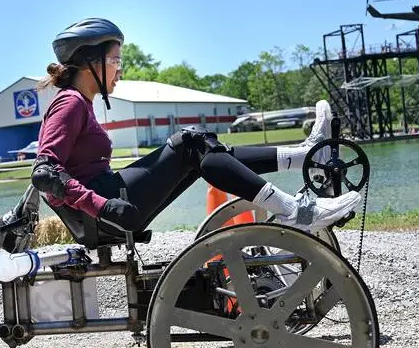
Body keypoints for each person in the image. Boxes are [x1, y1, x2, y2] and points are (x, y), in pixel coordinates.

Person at [30, 18, 362, 236]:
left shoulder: (80, 103)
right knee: (191, 143)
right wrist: (102, 206)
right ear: (91, 63)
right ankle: (295, 208)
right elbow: (45, 172)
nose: (120, 71)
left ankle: (303, 157)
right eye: (116, 61)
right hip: (105, 212)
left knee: (204, 152)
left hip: (107, 205)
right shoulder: (70, 102)